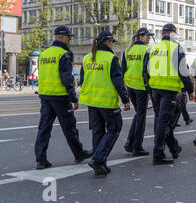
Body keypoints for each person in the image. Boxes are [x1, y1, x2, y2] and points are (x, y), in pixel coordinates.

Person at [34, 26, 92, 170]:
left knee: (44, 128)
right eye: (68, 37)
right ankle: (79, 153)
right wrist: (74, 98)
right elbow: (67, 78)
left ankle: (41, 159)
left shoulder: (44, 54)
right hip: (60, 97)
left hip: (45, 96)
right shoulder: (63, 55)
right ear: (60, 37)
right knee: (69, 127)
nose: (69, 39)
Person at [79, 31, 131, 176]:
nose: (112, 45)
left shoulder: (87, 58)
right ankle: (98, 159)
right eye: (112, 42)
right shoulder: (111, 58)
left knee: (98, 131)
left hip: (91, 100)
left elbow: (83, 80)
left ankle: (100, 164)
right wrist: (125, 100)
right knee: (115, 128)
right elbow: (118, 81)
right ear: (107, 42)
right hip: (106, 101)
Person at [147, 23, 194, 165]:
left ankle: (173, 147)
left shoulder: (153, 48)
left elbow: (146, 70)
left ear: (162, 33)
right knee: (163, 121)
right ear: (172, 33)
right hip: (169, 90)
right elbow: (183, 72)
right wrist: (190, 89)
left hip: (155, 88)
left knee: (162, 120)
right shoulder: (176, 48)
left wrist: (148, 89)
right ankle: (158, 153)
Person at [122, 28, 154, 156]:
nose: (149, 38)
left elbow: (122, 69)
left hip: (130, 87)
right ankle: (137, 146)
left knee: (139, 114)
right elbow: (148, 71)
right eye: (147, 36)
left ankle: (130, 142)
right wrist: (150, 90)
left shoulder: (127, 50)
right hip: (141, 88)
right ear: (141, 36)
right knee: (141, 116)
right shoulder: (147, 50)